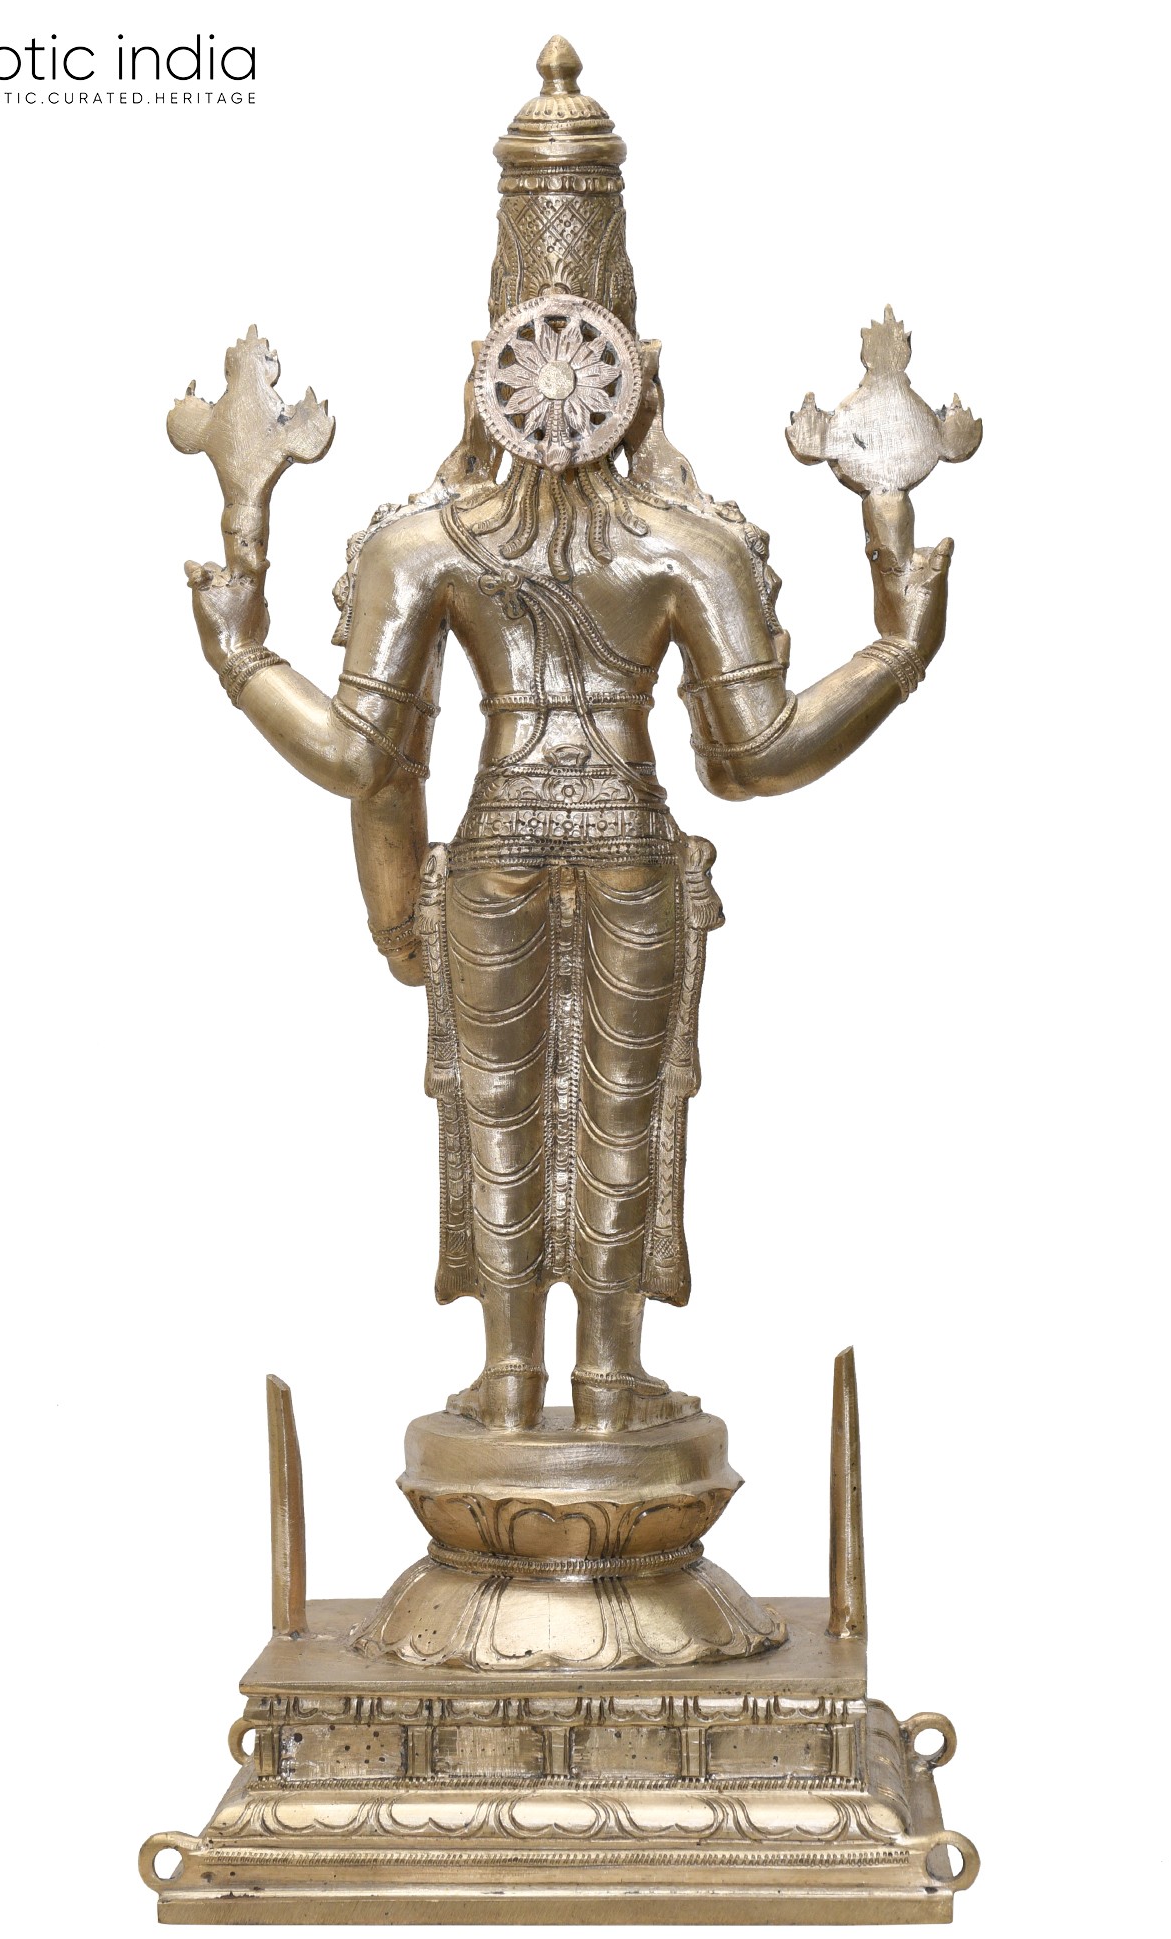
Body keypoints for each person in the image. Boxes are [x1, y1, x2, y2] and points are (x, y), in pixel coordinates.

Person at [183, 41, 952, 1432]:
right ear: (630, 356)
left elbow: (365, 761)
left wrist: (244, 653)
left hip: (494, 850)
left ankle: (518, 1376)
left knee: (496, 1102)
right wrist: (894, 646)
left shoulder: (432, 543)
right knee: (620, 1101)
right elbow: (755, 754)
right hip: (631, 848)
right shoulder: (680, 542)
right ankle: (595, 1376)